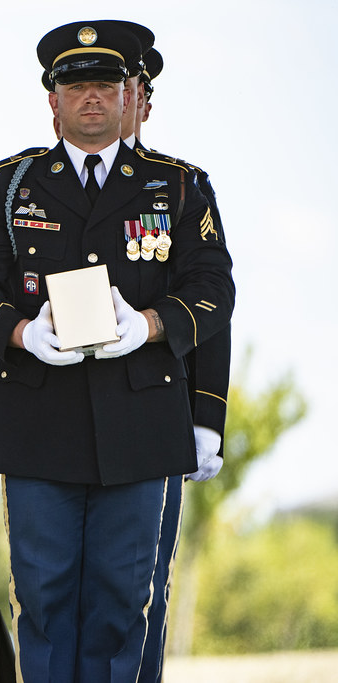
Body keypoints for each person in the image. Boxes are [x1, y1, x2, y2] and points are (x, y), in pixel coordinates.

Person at [0, 20, 234, 681]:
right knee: (43, 602)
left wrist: (150, 325)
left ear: (130, 93)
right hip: (38, 421)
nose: (92, 97)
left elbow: (213, 288)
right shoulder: (10, 184)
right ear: (52, 100)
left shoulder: (178, 186)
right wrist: (20, 332)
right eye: (75, 86)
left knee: (123, 606)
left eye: (106, 84)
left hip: (140, 424)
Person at [126, 44, 232, 683]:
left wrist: (205, 418)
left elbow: (211, 308)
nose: (120, 99)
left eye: (132, 88)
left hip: (156, 413)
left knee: (143, 594)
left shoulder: (183, 186)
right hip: (58, 418)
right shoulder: (33, 185)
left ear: (145, 103)